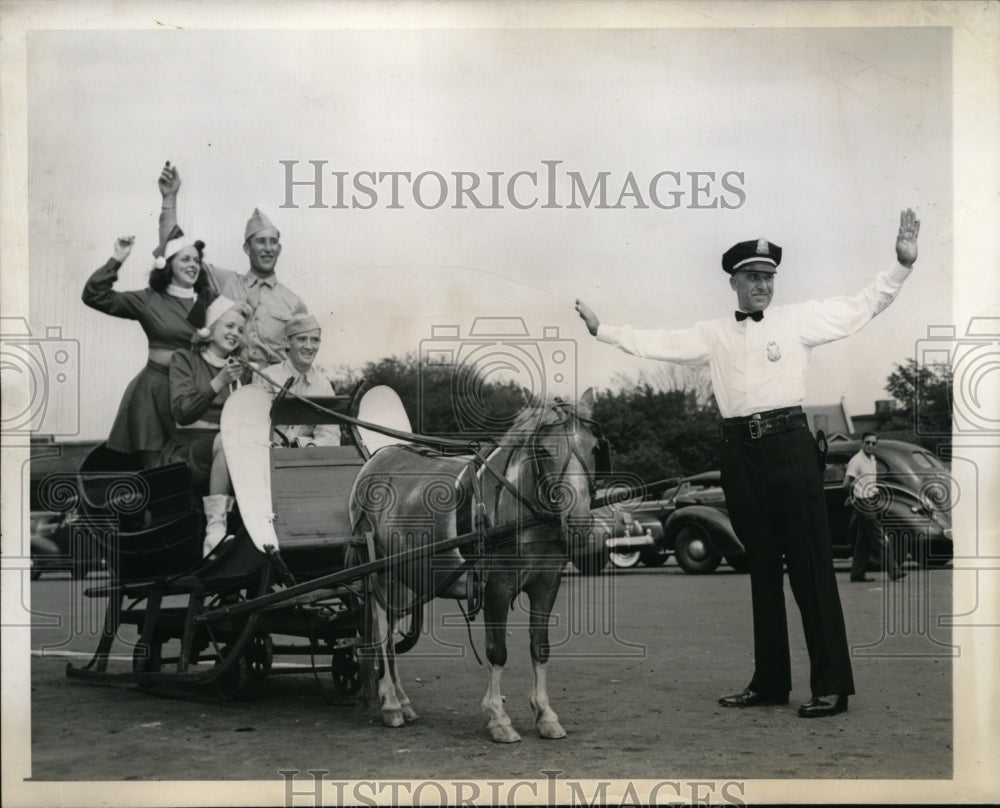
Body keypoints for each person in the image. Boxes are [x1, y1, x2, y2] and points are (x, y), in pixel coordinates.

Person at [575, 208, 920, 719]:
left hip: (790, 448)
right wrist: (605, 331)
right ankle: (770, 683)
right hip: (739, 454)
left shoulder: (797, 320)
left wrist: (900, 266)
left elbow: (860, 306)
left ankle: (832, 685)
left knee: (809, 569)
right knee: (760, 569)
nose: (762, 286)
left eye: (768, 278)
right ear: (734, 282)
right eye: (753, 278)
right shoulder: (713, 333)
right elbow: (662, 344)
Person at [82, 229, 215, 468]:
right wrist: (118, 257)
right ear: (167, 264)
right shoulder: (149, 299)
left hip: (193, 394)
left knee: (194, 466)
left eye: (196, 260)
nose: (193, 265)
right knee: (155, 474)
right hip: (154, 393)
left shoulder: (210, 300)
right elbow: (94, 295)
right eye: (185, 259)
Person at [157, 161, 307, 366]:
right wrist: (169, 200)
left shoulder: (294, 303)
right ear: (247, 249)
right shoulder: (225, 282)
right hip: (226, 385)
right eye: (260, 242)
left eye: (273, 242)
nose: (268, 248)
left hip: (273, 392)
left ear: (279, 249)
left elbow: (301, 358)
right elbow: (176, 254)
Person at [159, 296, 252, 555]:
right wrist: (219, 381)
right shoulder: (184, 359)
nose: (236, 334)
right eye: (229, 326)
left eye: (240, 330)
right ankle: (215, 527)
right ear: (209, 328)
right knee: (227, 441)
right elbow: (183, 412)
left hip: (230, 447)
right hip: (190, 448)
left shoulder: (242, 369)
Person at [255, 314, 341, 447]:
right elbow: (255, 429)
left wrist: (309, 447)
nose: (309, 346)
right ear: (286, 342)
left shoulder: (324, 386)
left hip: (308, 460)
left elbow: (330, 434)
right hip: (269, 459)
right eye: (301, 339)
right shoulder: (267, 378)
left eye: (314, 340)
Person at [844, 432, 906, 583]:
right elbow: (847, 482)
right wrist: (853, 497)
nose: (870, 446)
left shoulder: (872, 459)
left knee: (863, 541)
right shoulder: (857, 460)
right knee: (880, 537)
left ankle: (857, 574)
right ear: (862, 443)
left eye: (873, 443)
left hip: (871, 500)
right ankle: (895, 571)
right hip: (863, 502)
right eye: (867, 442)